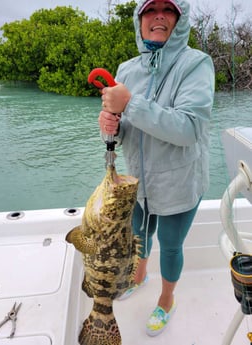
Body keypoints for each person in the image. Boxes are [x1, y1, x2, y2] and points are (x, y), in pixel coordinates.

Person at [98, 0, 215, 338]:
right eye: (150, 9)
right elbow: (117, 132)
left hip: (181, 183)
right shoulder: (126, 69)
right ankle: (139, 276)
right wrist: (109, 124)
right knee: (139, 234)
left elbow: (190, 128)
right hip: (137, 182)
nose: (159, 15)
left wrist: (130, 104)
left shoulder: (197, 64)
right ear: (140, 20)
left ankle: (166, 301)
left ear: (180, 19)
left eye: (168, 8)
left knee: (170, 244)